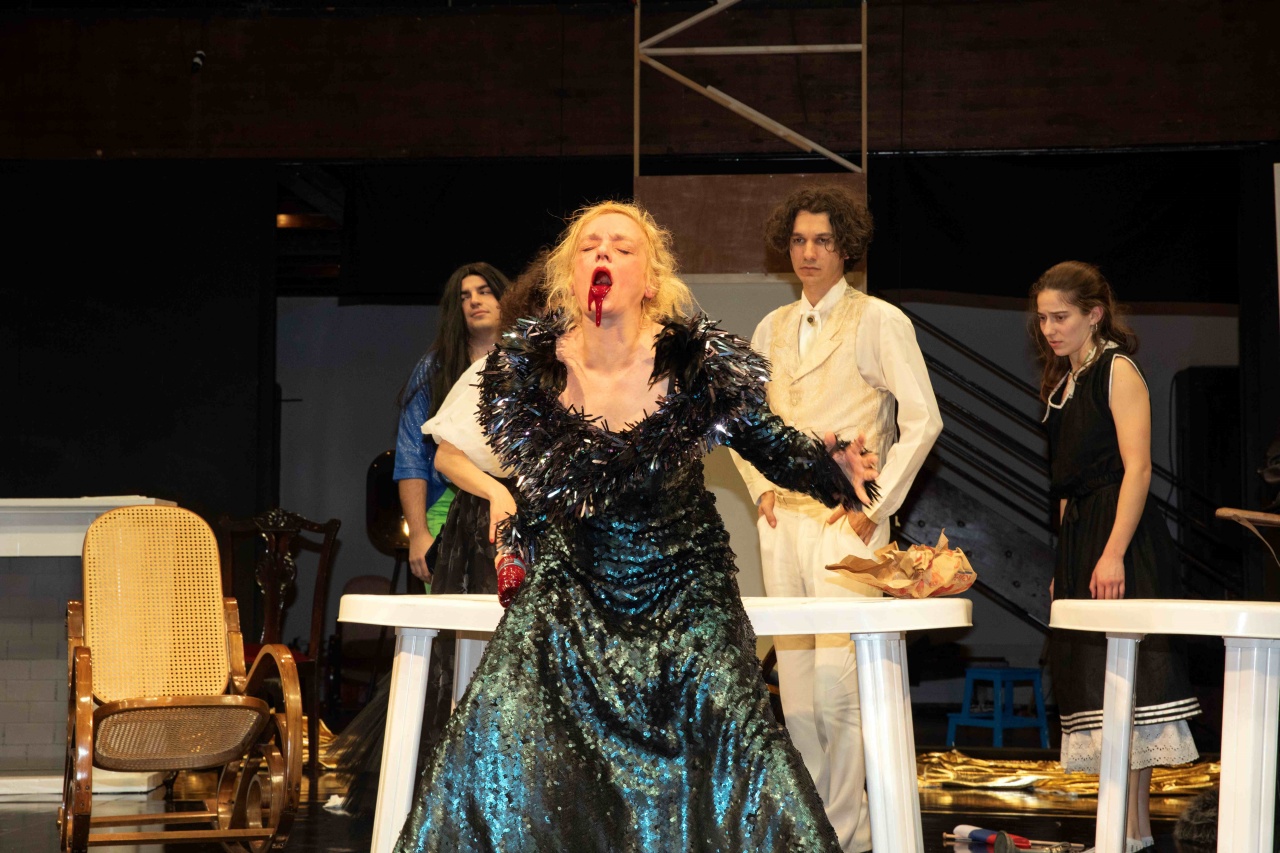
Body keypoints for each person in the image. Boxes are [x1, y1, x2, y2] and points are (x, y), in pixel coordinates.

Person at [394, 201, 879, 853]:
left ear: (650, 279)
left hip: (685, 591)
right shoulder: (527, 367)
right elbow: (516, 478)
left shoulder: (694, 361)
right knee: (496, 722)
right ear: (570, 273)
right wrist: (513, 530)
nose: (604, 253)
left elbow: (768, 441)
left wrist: (830, 466)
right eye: (590, 245)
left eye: (623, 247)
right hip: (571, 588)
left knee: (734, 736)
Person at [731, 185, 941, 852]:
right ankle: (813, 825)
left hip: (846, 520)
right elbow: (746, 419)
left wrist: (875, 504)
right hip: (783, 524)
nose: (810, 252)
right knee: (795, 691)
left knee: (839, 687)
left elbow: (924, 419)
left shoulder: (878, 320)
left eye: (822, 240)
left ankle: (850, 833)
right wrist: (759, 488)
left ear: (845, 246)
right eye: (799, 240)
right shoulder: (771, 327)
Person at [1032, 260, 1200, 853]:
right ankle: (1119, 833)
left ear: (1094, 314)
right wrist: (1065, 564)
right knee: (1099, 691)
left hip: (1121, 538)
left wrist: (1112, 554)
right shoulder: (1064, 382)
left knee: (1134, 691)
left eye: (1061, 317)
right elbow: (1066, 487)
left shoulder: (1117, 369)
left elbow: (1139, 469)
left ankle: (1134, 833)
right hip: (1083, 538)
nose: (1050, 329)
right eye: (1043, 319)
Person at [394, 261, 509, 587]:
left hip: (514, 500)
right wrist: (418, 533)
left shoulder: (531, 360)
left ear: (506, 298)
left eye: (484, 291)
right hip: (445, 500)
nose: (475, 301)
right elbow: (411, 456)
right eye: (464, 296)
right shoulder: (435, 368)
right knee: (448, 611)